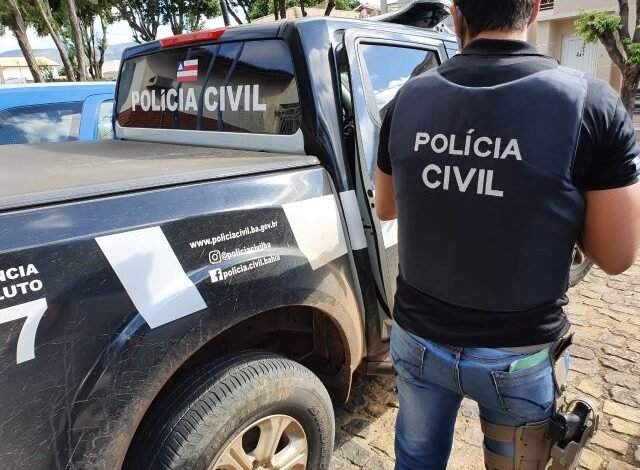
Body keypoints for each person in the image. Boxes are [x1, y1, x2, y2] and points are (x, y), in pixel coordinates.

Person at [374, 0, 640, 469]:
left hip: (418, 338)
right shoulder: (591, 104)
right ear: (534, 9)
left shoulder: (405, 99)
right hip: (518, 354)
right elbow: (616, 256)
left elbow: (387, 205)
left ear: (456, 14)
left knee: (415, 459)